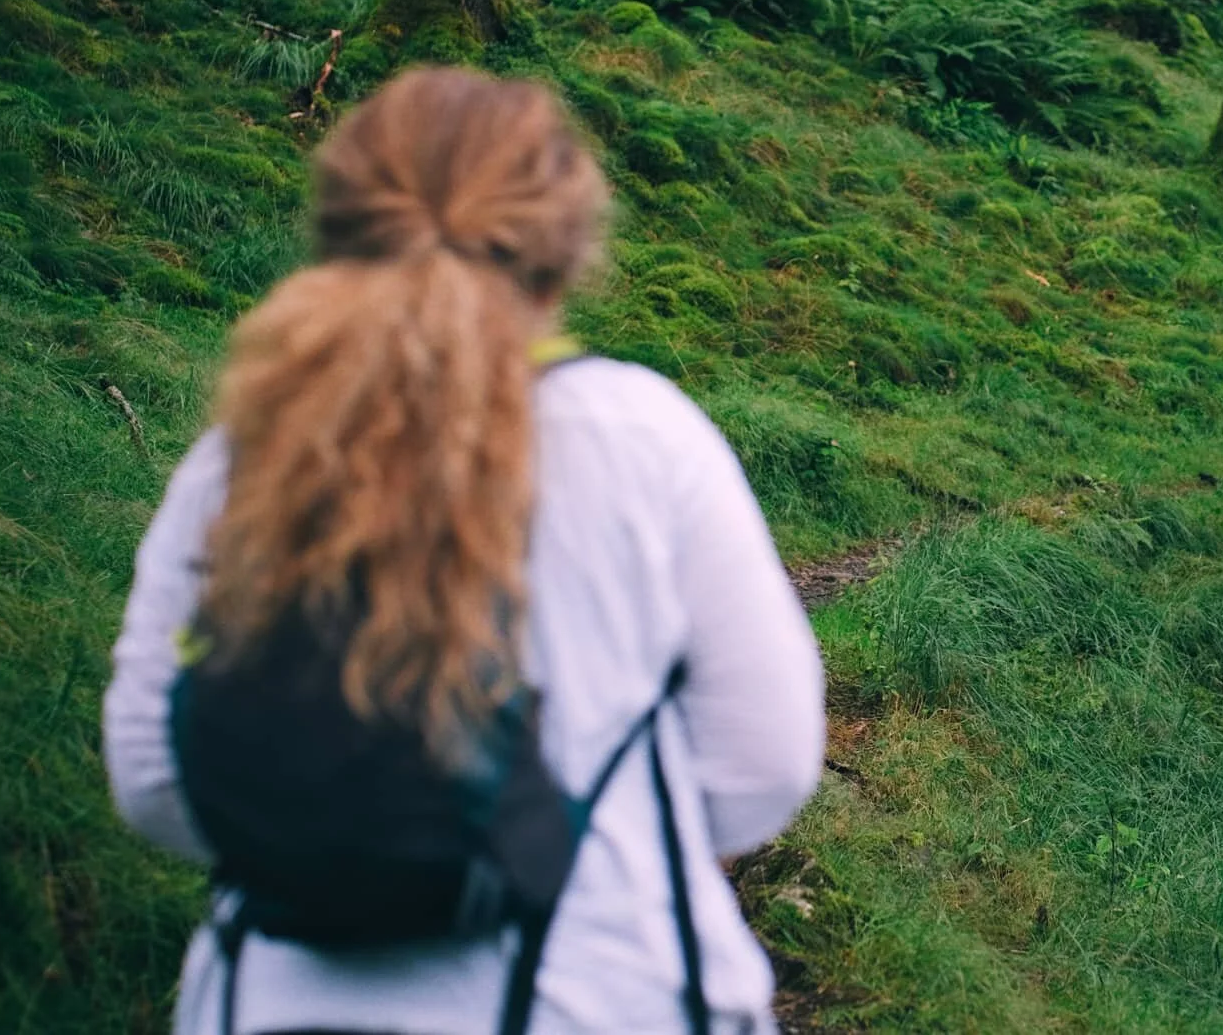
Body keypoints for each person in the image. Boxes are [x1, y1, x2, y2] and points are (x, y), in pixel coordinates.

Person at [103, 67, 824, 1034]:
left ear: (338, 236)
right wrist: (580, 834)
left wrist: (333, 841)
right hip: (599, 996)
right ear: (563, 258)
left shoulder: (245, 454)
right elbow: (763, 764)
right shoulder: (644, 438)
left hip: (270, 1002)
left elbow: (151, 776)